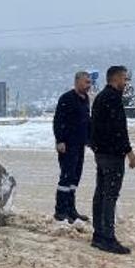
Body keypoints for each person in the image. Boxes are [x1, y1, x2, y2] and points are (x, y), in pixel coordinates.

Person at [89, 66, 135, 254]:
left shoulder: (101, 97)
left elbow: (94, 126)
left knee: (100, 193)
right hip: (112, 155)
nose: (126, 83)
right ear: (115, 79)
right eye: (124, 79)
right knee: (110, 195)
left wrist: (95, 147)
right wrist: (129, 151)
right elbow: (118, 129)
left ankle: (98, 235)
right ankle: (107, 237)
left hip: (101, 153)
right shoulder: (113, 98)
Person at [52, 71, 92, 223]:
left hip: (80, 144)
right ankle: (60, 210)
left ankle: (71, 209)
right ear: (77, 82)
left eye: (89, 82)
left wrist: (89, 139)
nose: (89, 85)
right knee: (66, 177)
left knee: (75, 177)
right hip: (67, 145)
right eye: (86, 82)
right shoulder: (66, 98)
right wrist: (60, 140)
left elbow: (86, 121)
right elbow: (58, 121)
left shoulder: (85, 99)